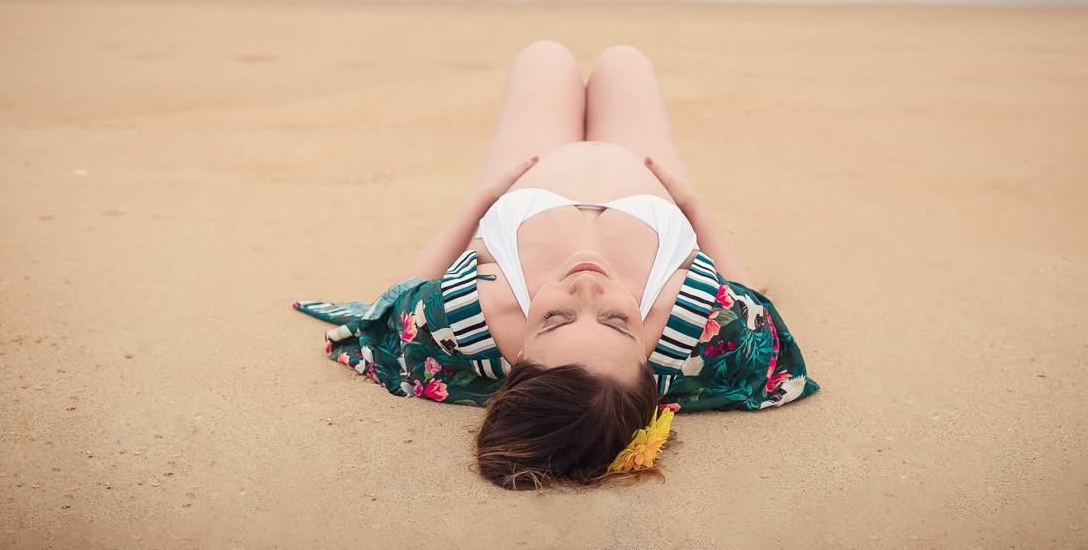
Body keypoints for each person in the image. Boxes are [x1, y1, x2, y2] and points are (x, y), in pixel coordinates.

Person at [295, 42, 817, 489]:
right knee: (624, 62)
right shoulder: (701, 331)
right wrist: (696, 209)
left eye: (556, 319)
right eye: (617, 321)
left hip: (530, 177)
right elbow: (758, 310)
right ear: (649, 364)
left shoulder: (467, 321)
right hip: (647, 179)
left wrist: (479, 200)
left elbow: (401, 297)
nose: (587, 291)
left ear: (518, 356)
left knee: (543, 58)